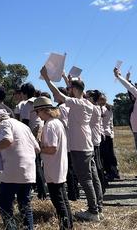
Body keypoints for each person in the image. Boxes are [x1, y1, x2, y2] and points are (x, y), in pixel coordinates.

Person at [40, 66, 103, 222]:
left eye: (70, 88)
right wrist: (64, 77)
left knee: (85, 179)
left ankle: (93, 211)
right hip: (88, 144)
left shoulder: (76, 103)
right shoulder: (88, 104)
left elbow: (57, 94)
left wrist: (47, 78)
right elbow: (74, 91)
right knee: (93, 178)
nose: (68, 90)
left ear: (74, 89)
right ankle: (98, 208)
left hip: (79, 146)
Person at [0, 110, 40, 230]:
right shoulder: (24, 126)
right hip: (29, 170)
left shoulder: (5, 123)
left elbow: (8, 140)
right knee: (25, 205)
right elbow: (37, 148)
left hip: (13, 170)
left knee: (5, 204)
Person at [34, 96, 73, 230]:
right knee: (63, 198)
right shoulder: (57, 122)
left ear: (43, 110)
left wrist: (38, 149)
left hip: (53, 166)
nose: (37, 115)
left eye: (37, 112)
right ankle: (69, 225)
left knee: (58, 200)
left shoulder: (50, 125)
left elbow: (51, 148)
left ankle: (65, 226)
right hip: (59, 165)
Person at [87, 90, 107, 192]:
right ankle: (101, 186)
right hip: (95, 139)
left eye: (88, 97)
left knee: (97, 166)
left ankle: (101, 187)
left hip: (93, 140)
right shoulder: (96, 107)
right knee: (98, 164)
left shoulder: (93, 108)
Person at [100, 96, 120, 181]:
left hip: (103, 133)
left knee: (105, 155)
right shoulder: (109, 108)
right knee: (110, 154)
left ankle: (110, 172)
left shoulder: (102, 109)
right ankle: (114, 171)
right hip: (108, 133)